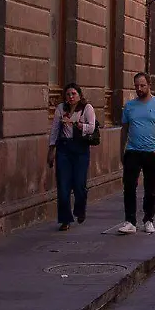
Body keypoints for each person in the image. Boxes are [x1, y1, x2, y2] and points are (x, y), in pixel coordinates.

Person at [119, 72, 155, 235]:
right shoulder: (129, 106)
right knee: (129, 186)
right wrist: (122, 150)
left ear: (149, 85)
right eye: (136, 86)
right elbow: (124, 129)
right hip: (133, 151)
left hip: (152, 152)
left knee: (150, 188)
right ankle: (130, 221)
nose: (139, 89)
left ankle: (148, 219)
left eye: (142, 85)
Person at [47, 83, 96, 231]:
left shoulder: (87, 108)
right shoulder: (61, 109)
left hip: (80, 149)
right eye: (68, 94)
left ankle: (80, 210)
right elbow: (55, 129)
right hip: (64, 149)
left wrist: (76, 123)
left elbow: (92, 127)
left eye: (73, 94)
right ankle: (65, 219)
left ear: (79, 95)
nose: (71, 97)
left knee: (80, 184)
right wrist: (51, 150)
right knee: (63, 185)